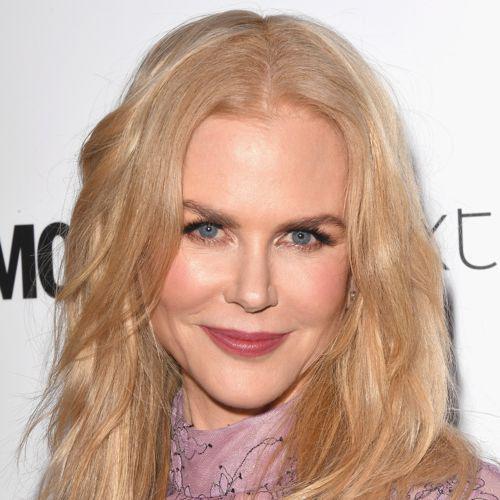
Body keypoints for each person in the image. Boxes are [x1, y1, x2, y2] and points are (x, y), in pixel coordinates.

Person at [19, 8, 500, 499]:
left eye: (302, 237)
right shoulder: (90, 483)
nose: (253, 292)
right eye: (207, 230)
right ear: (129, 243)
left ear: (364, 266)